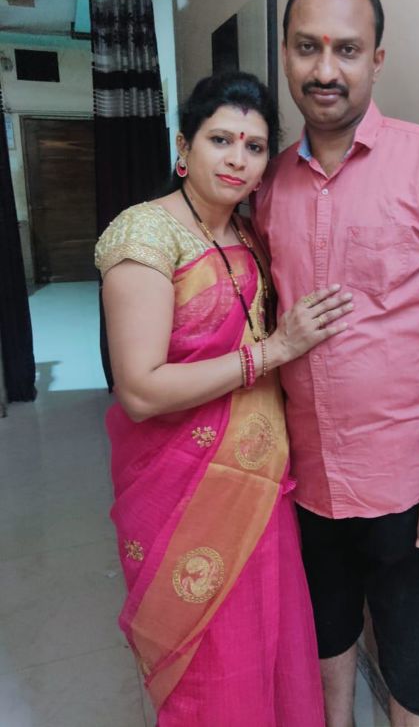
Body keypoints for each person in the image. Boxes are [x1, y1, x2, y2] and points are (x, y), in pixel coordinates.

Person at [254, 0, 419, 726]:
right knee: (323, 640)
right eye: (307, 47)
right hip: (303, 477)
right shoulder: (268, 183)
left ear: (377, 59)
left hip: (409, 483)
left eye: (347, 49)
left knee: (414, 669)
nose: (325, 69)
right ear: (286, 54)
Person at [95, 71, 353, 726]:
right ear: (184, 147)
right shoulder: (145, 235)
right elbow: (140, 389)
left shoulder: (248, 234)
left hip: (261, 486)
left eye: (255, 146)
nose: (238, 158)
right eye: (220, 139)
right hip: (181, 488)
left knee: (266, 644)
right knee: (211, 668)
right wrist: (273, 351)